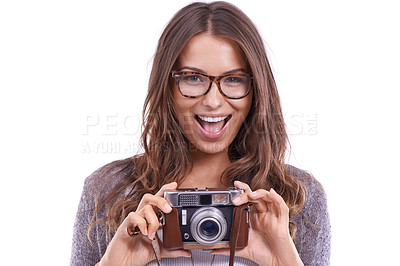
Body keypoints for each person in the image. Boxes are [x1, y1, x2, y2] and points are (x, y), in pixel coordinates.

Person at [70, 1, 331, 265]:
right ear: (166, 86)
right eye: (193, 78)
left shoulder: (299, 197)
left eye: (234, 79)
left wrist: (282, 260)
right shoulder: (110, 190)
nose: (213, 101)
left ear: (256, 89)